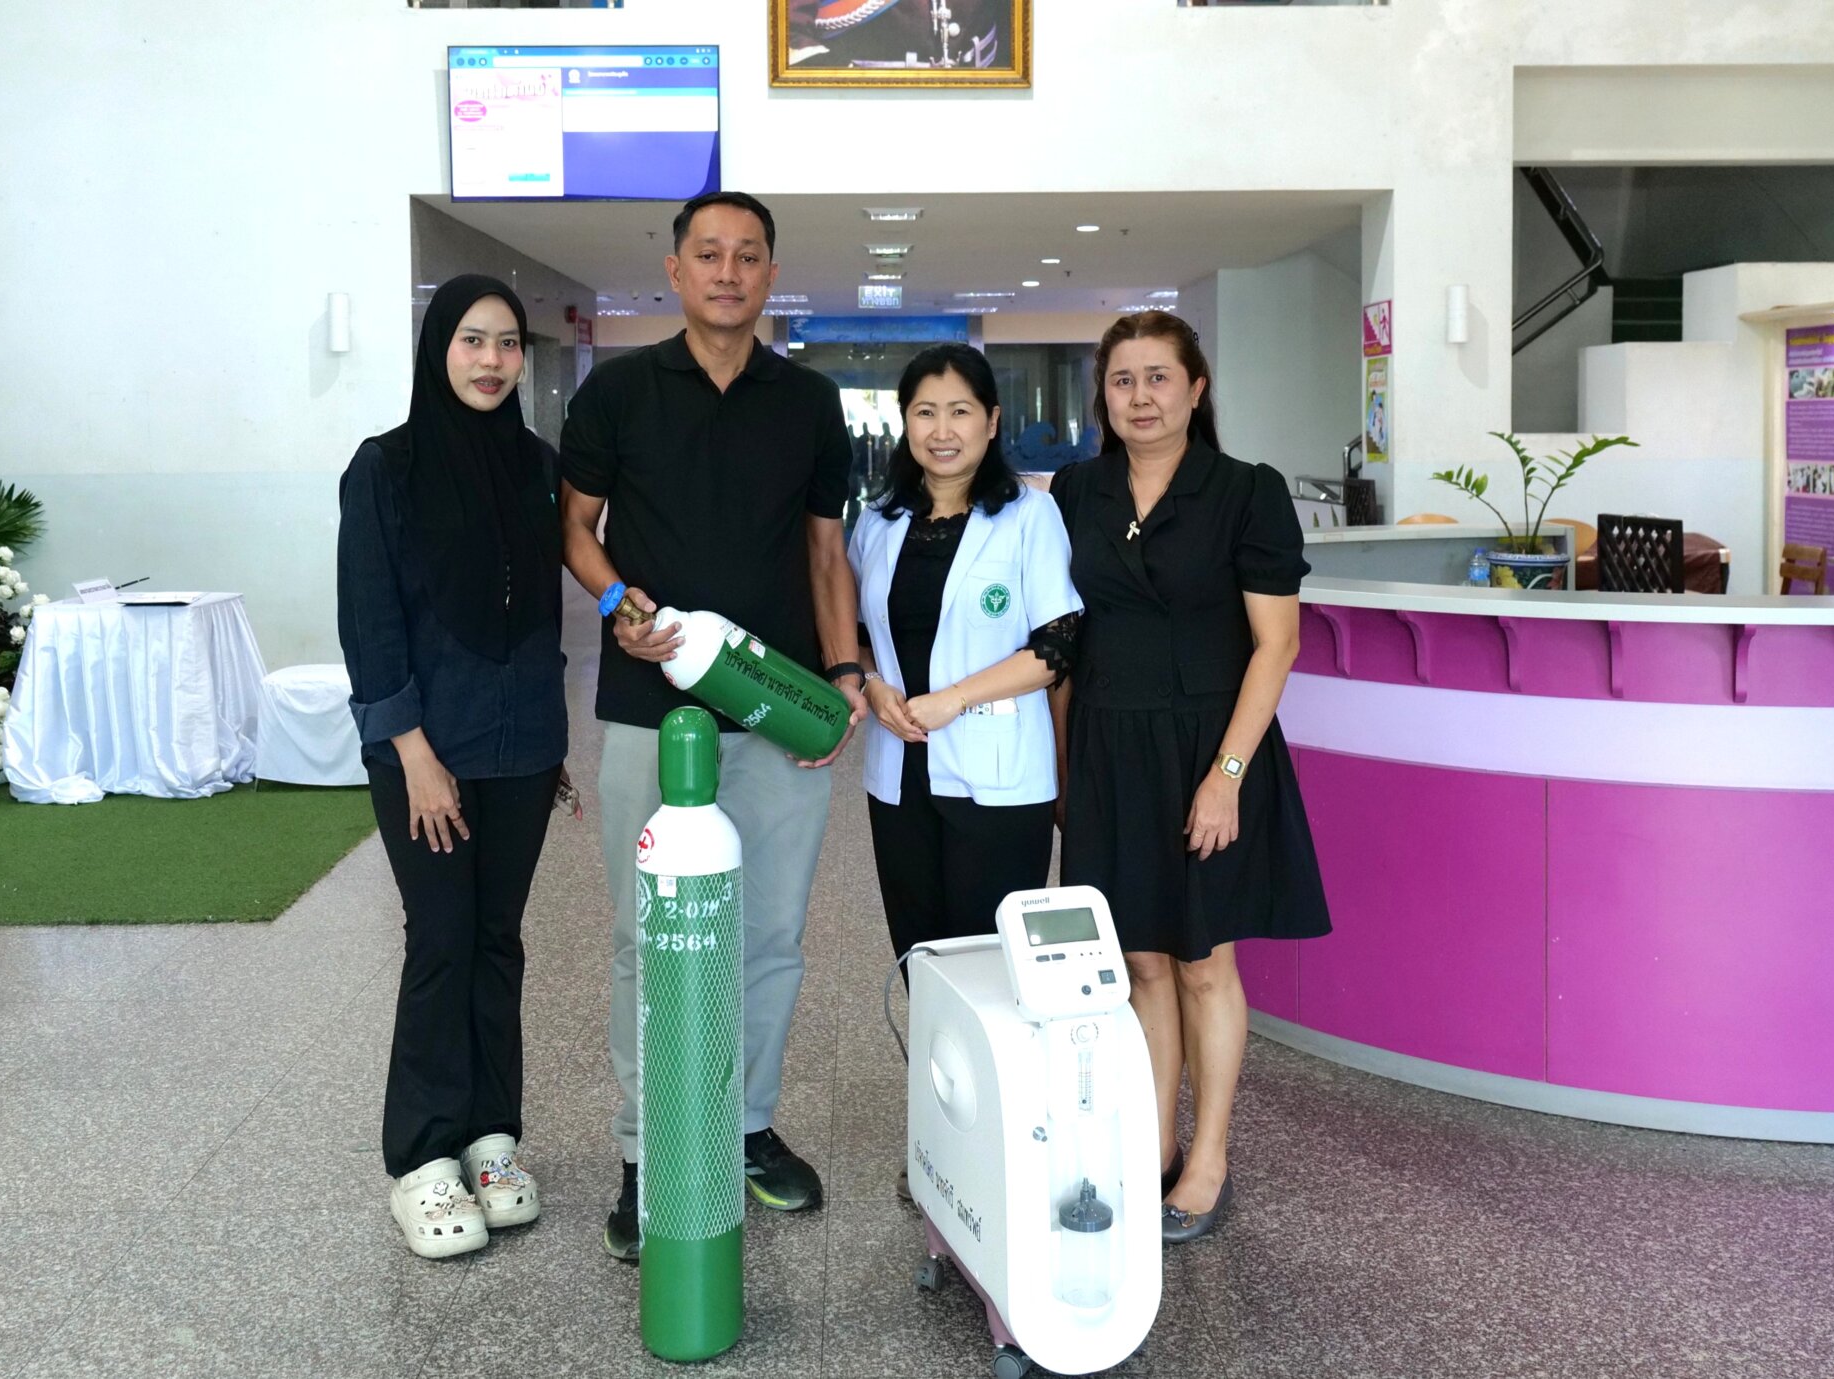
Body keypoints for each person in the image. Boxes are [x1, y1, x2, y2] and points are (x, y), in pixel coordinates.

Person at [560, 190, 866, 1262]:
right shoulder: (617, 391)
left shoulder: (808, 402)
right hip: (650, 709)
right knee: (644, 936)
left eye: (747, 256)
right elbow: (575, 526)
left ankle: (743, 1125)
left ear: (770, 274)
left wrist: (841, 675)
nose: (727, 272)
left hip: (776, 708)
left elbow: (826, 552)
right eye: (708, 254)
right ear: (675, 270)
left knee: (770, 933)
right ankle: (647, 1149)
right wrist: (616, 602)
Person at [1047, 311, 1330, 1245]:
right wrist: (1065, 766)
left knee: (1205, 961)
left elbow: (1276, 645)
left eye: (1159, 377)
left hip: (1211, 747)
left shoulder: (1246, 491)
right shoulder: (1077, 491)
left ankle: (1208, 1157)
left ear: (1196, 388)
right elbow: (1063, 636)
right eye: (1123, 380)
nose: (1142, 397)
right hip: (1109, 746)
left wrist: (1227, 776)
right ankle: (1154, 1142)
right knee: (1139, 960)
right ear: (1103, 395)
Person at [336, 274, 572, 1261]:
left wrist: (548, 743)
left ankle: (489, 1137)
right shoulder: (384, 468)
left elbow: (541, 610)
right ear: (439, 347)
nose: (491, 360)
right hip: (425, 752)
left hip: (521, 747)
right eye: (472, 339)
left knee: (496, 939)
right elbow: (370, 621)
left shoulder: (537, 466)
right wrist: (412, 753)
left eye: (508, 343)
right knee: (440, 939)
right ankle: (423, 1157)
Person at [849, 343, 1080, 968]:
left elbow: (1056, 646)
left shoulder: (1030, 515)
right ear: (905, 421)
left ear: (992, 420)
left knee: (989, 958)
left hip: (1000, 778)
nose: (942, 431)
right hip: (900, 773)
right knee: (919, 953)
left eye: (960, 412)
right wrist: (870, 683)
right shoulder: (878, 521)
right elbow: (856, 634)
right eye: (925, 413)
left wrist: (954, 699)